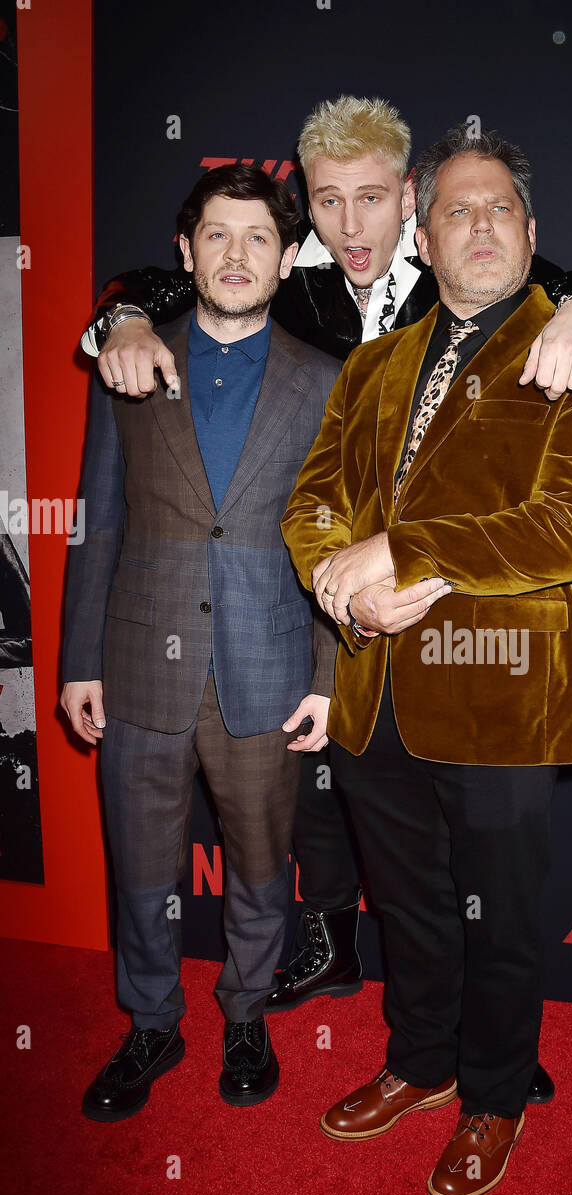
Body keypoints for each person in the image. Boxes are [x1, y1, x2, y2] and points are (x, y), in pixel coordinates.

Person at [79, 95, 572, 1103]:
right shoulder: (297, 299)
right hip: (352, 655)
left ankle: (494, 1073)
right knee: (390, 884)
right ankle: (402, 1035)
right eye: (328, 202)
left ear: (409, 216)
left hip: (491, 668)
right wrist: (119, 313)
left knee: (493, 901)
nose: (349, 224)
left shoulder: (529, 305)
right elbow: (175, 287)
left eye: (371, 199)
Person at [281, 126, 572, 1195]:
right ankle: (421, 1058)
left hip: (501, 697)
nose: (478, 227)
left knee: (499, 911)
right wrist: (336, 578)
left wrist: (403, 549)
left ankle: (490, 1093)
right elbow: (312, 504)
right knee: (411, 901)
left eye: (499, 211)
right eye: (455, 213)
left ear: (531, 235)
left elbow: (563, 532)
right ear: (422, 241)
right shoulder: (375, 365)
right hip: (372, 685)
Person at [61, 164, 346, 1119]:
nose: (237, 254)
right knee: (140, 866)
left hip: (267, 673)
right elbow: (98, 519)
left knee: (263, 865)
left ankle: (247, 1013)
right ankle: (149, 1025)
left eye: (259, 237)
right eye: (217, 236)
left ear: (290, 254)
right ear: (185, 254)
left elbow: (335, 538)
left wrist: (326, 670)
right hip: (140, 661)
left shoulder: (325, 380)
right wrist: (78, 663)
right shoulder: (131, 359)